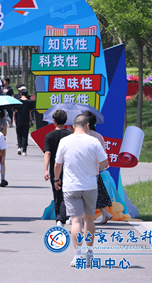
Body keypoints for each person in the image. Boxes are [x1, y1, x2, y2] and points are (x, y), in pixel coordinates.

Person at [54, 114, 109, 267]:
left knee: (76, 221)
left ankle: (77, 255)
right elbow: (105, 164)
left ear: (73, 126)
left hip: (71, 186)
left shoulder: (65, 141)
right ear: (87, 126)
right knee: (89, 220)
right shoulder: (94, 141)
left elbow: (58, 164)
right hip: (90, 185)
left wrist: (57, 179)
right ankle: (89, 253)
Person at [82, 110, 114, 224]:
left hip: (82, 170)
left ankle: (79, 218)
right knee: (97, 193)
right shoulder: (98, 136)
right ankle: (105, 213)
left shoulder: (80, 136)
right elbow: (103, 155)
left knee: (82, 194)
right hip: (95, 170)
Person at [43, 110, 72, 227]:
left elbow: (47, 153)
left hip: (54, 169)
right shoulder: (71, 136)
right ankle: (69, 216)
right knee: (69, 193)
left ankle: (60, 219)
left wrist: (45, 169)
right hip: (69, 169)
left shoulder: (49, 135)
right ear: (66, 121)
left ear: (53, 121)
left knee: (57, 193)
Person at [14, 87, 35, 155]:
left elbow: (15, 110)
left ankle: (19, 147)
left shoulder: (17, 101)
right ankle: (24, 151)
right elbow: (30, 110)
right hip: (26, 119)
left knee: (19, 134)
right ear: (27, 94)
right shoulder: (29, 102)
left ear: (20, 93)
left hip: (19, 119)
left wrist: (14, 117)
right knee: (25, 135)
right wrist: (30, 117)